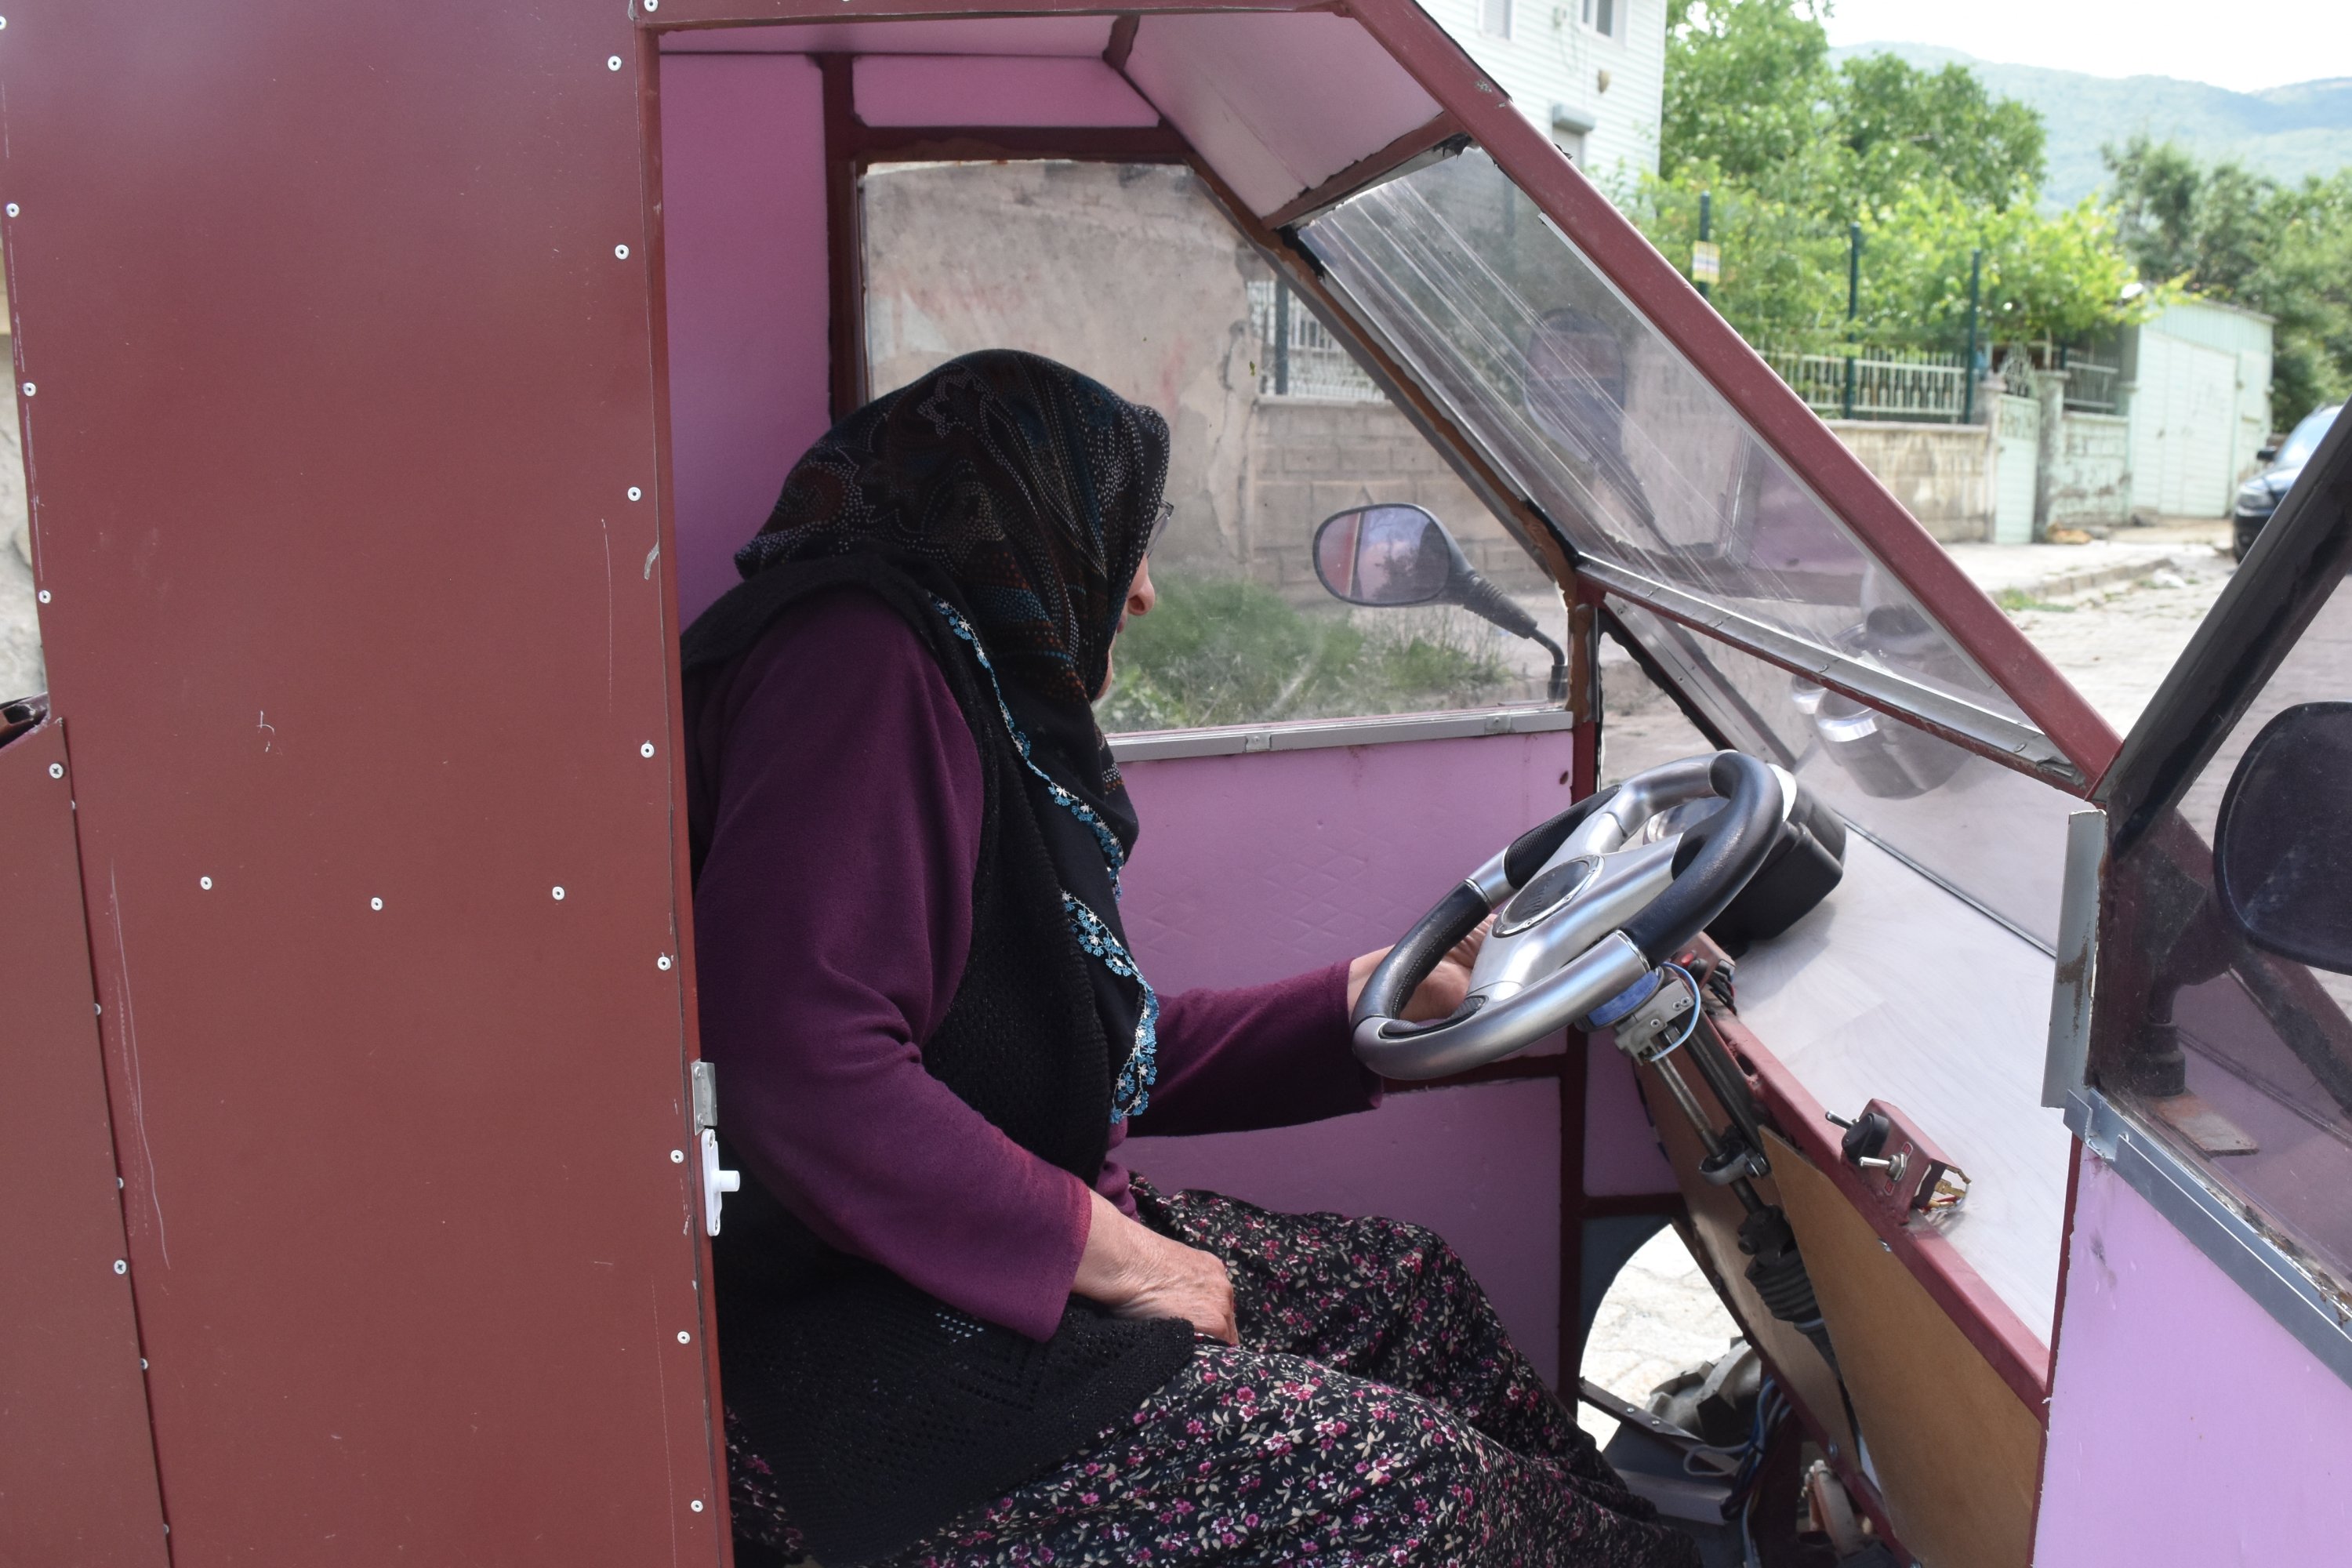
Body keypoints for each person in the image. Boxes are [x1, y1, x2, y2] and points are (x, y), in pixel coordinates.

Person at [682, 350, 1695, 1568]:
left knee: (1405, 1293)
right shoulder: (856, 661)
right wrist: (1125, 1259)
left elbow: (1083, 1056)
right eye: (1128, 534)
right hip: (856, 1364)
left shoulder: (952, 678)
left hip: (940, 1288)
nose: (1145, 591)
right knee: (1407, 1494)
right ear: (1026, 516)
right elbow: (797, 1064)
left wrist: (1367, 1000)